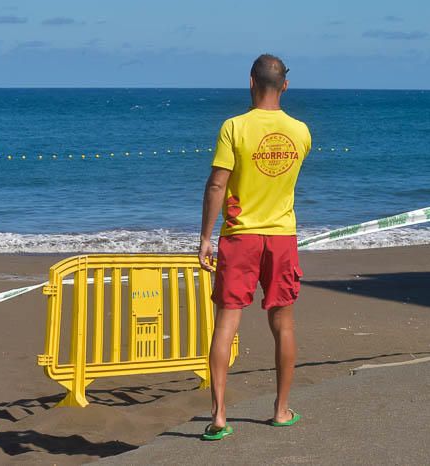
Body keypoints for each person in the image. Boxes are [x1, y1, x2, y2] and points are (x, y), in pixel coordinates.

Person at [197, 54, 311, 440]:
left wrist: (205, 238)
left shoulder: (234, 127)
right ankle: (280, 410)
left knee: (227, 322)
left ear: (251, 81)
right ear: (285, 85)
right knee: (283, 323)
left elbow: (217, 184)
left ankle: (219, 416)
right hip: (281, 235)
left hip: (240, 235)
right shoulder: (301, 132)